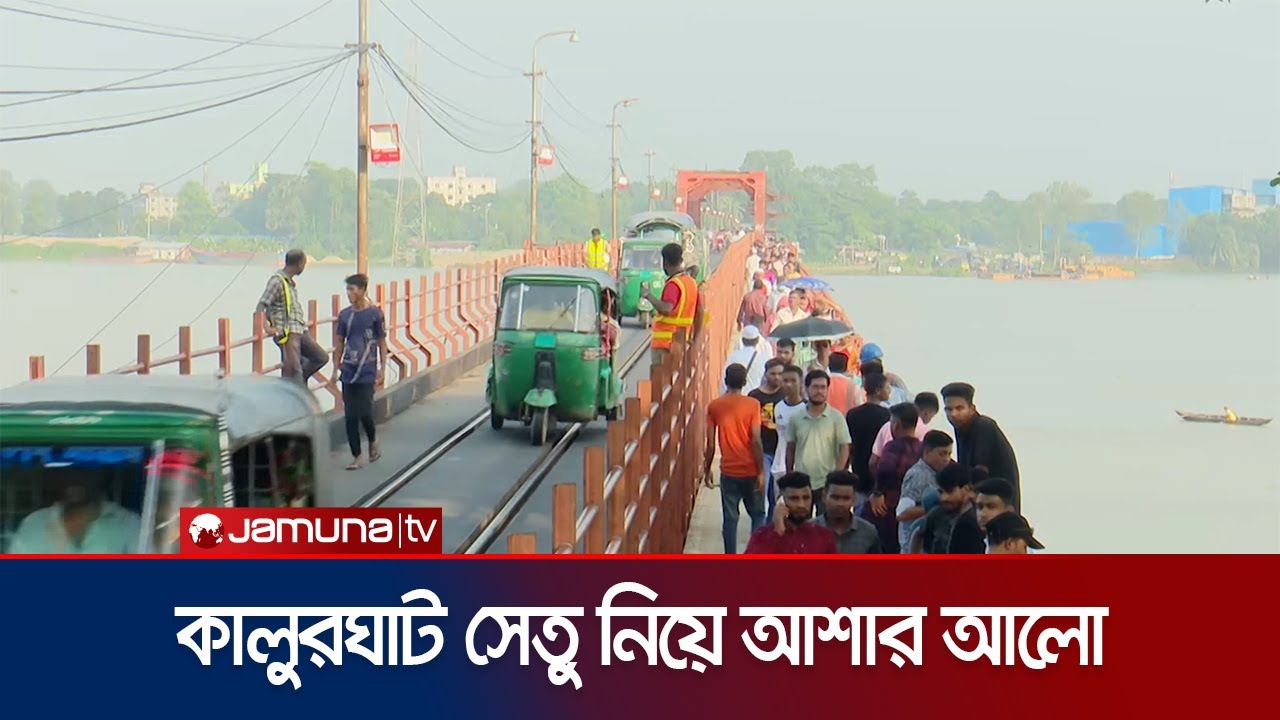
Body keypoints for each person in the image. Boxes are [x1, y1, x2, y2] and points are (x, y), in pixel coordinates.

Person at [704, 363, 766, 554]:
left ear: (725, 380)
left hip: (729, 471)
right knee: (757, 515)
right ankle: (755, 555)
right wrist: (761, 471)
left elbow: (711, 445)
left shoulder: (715, 406)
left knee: (730, 519)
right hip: (750, 470)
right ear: (745, 381)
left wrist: (707, 470)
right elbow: (755, 440)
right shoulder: (753, 405)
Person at [331, 273, 387, 470]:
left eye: (352, 289)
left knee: (365, 412)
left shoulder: (375, 314)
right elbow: (339, 341)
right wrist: (335, 366)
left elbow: (381, 342)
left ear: (362, 290)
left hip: (367, 369)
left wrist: (382, 367)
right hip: (348, 369)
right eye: (347, 289)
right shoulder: (345, 315)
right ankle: (357, 456)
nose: (349, 293)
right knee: (350, 416)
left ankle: (372, 439)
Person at [7, 474, 141, 554]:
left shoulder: (128, 522)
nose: (75, 479)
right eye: (69, 469)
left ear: (99, 475)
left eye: (84, 469)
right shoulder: (35, 522)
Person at [940, 382, 1022, 509]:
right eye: (948, 409)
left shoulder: (983, 426)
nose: (953, 414)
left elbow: (979, 472)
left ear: (972, 409)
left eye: (959, 408)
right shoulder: (961, 426)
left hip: (997, 505)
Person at [256, 249, 328, 387]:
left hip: (299, 329)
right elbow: (261, 305)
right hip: (288, 333)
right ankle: (295, 387)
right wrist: (266, 327)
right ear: (299, 264)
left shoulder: (289, 283)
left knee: (321, 357)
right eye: (304, 264)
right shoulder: (277, 281)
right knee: (295, 371)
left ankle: (294, 384)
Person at [784, 370, 851, 518]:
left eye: (823, 387)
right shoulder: (796, 418)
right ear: (806, 389)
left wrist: (836, 474)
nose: (819, 391)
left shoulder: (836, 417)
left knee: (826, 525)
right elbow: (790, 448)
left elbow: (845, 447)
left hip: (826, 483)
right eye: (815, 387)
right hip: (802, 482)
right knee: (801, 525)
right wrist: (790, 474)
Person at [863, 403, 923, 553]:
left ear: (895, 426)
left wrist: (877, 493)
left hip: (889, 508)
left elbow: (885, 470)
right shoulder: (923, 448)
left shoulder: (893, 446)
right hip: (915, 508)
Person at [744, 472, 837, 554]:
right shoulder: (762, 535)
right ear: (781, 500)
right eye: (794, 498)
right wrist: (778, 532)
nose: (801, 505)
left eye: (806, 498)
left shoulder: (823, 536)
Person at [897, 430, 954, 553]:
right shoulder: (918, 475)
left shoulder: (937, 474)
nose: (946, 459)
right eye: (942, 454)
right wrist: (937, 508)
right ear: (927, 452)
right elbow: (902, 513)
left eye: (949, 454)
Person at [643, 243, 700, 366]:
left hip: (665, 345)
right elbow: (699, 312)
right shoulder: (691, 283)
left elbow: (667, 308)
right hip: (682, 342)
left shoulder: (673, 285)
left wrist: (648, 296)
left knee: (661, 381)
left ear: (665, 262)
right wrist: (694, 338)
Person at [918, 463, 986, 554]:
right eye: (941, 492)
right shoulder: (936, 514)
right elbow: (920, 539)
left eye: (950, 491)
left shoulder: (979, 517)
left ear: (966, 489)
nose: (944, 498)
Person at [846, 373, 892, 504]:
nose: (890, 391)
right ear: (878, 391)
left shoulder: (852, 414)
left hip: (858, 467)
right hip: (878, 469)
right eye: (887, 388)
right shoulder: (887, 415)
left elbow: (849, 444)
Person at [869, 391, 940, 477]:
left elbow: (873, 461)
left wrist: (879, 482)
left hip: (888, 486)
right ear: (926, 413)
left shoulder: (887, 426)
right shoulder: (926, 433)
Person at [767, 364, 808, 507]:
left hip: (801, 467)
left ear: (801, 382)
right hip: (779, 466)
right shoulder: (778, 406)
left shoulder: (807, 409)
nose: (789, 385)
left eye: (793, 380)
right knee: (778, 507)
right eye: (786, 381)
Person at [813, 471, 881, 554]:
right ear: (824, 497)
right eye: (835, 497)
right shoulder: (808, 532)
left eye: (846, 498)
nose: (840, 504)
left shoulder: (868, 532)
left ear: (854, 500)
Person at [749, 359, 787, 504]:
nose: (777, 377)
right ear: (765, 374)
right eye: (773, 373)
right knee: (762, 490)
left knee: (777, 494)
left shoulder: (786, 395)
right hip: (763, 450)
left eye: (780, 374)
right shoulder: (755, 396)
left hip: (781, 451)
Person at [722, 325, 770, 393]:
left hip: (738, 397)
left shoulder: (733, 356)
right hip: (757, 397)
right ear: (757, 340)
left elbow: (724, 379)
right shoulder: (764, 357)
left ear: (743, 340)